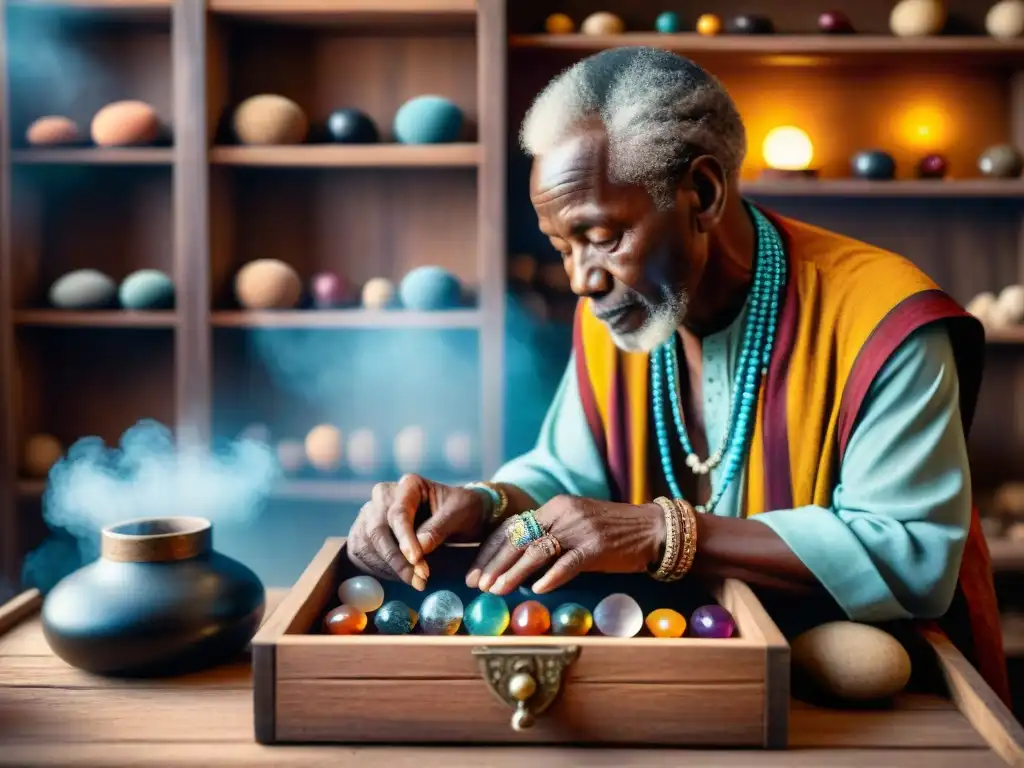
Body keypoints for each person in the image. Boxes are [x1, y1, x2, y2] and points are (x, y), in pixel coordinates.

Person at [347, 47, 1007, 701]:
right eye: (562, 246)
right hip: (682, 676)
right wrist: (483, 505)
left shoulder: (885, 319)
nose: (582, 279)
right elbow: (566, 475)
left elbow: (911, 555)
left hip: (889, 705)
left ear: (703, 192)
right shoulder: (619, 309)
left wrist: (664, 533)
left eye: (603, 235)